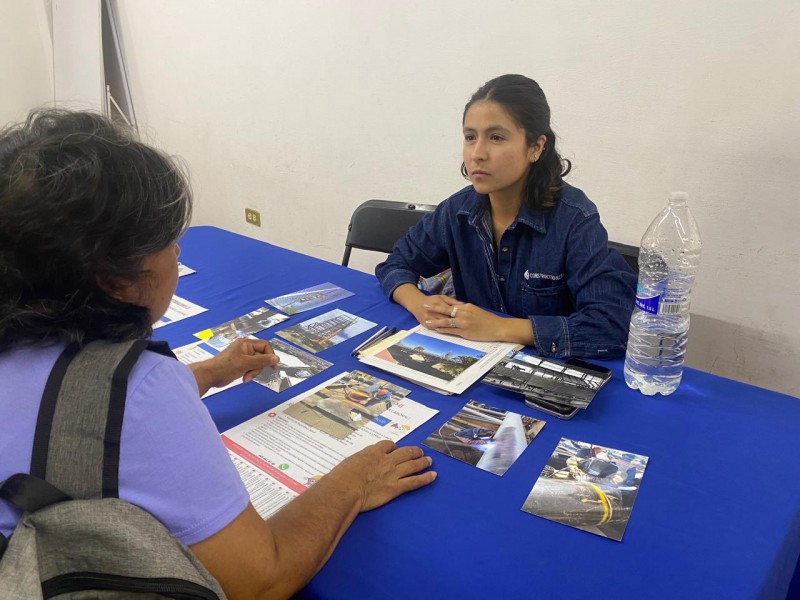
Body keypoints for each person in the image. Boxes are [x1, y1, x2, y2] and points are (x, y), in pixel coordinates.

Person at [0, 109, 436, 600]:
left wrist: (212, 371)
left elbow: (79, 409)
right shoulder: (140, 385)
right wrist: (352, 482)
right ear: (114, 278)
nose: (178, 254)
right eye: (167, 241)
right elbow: (261, 581)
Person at [376, 74, 637, 359]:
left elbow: (611, 324)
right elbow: (397, 263)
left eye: (496, 137)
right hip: (470, 358)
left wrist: (500, 327)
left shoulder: (574, 219)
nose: (477, 154)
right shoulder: (457, 210)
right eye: (470, 137)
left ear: (536, 147)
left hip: (543, 367)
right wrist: (419, 304)